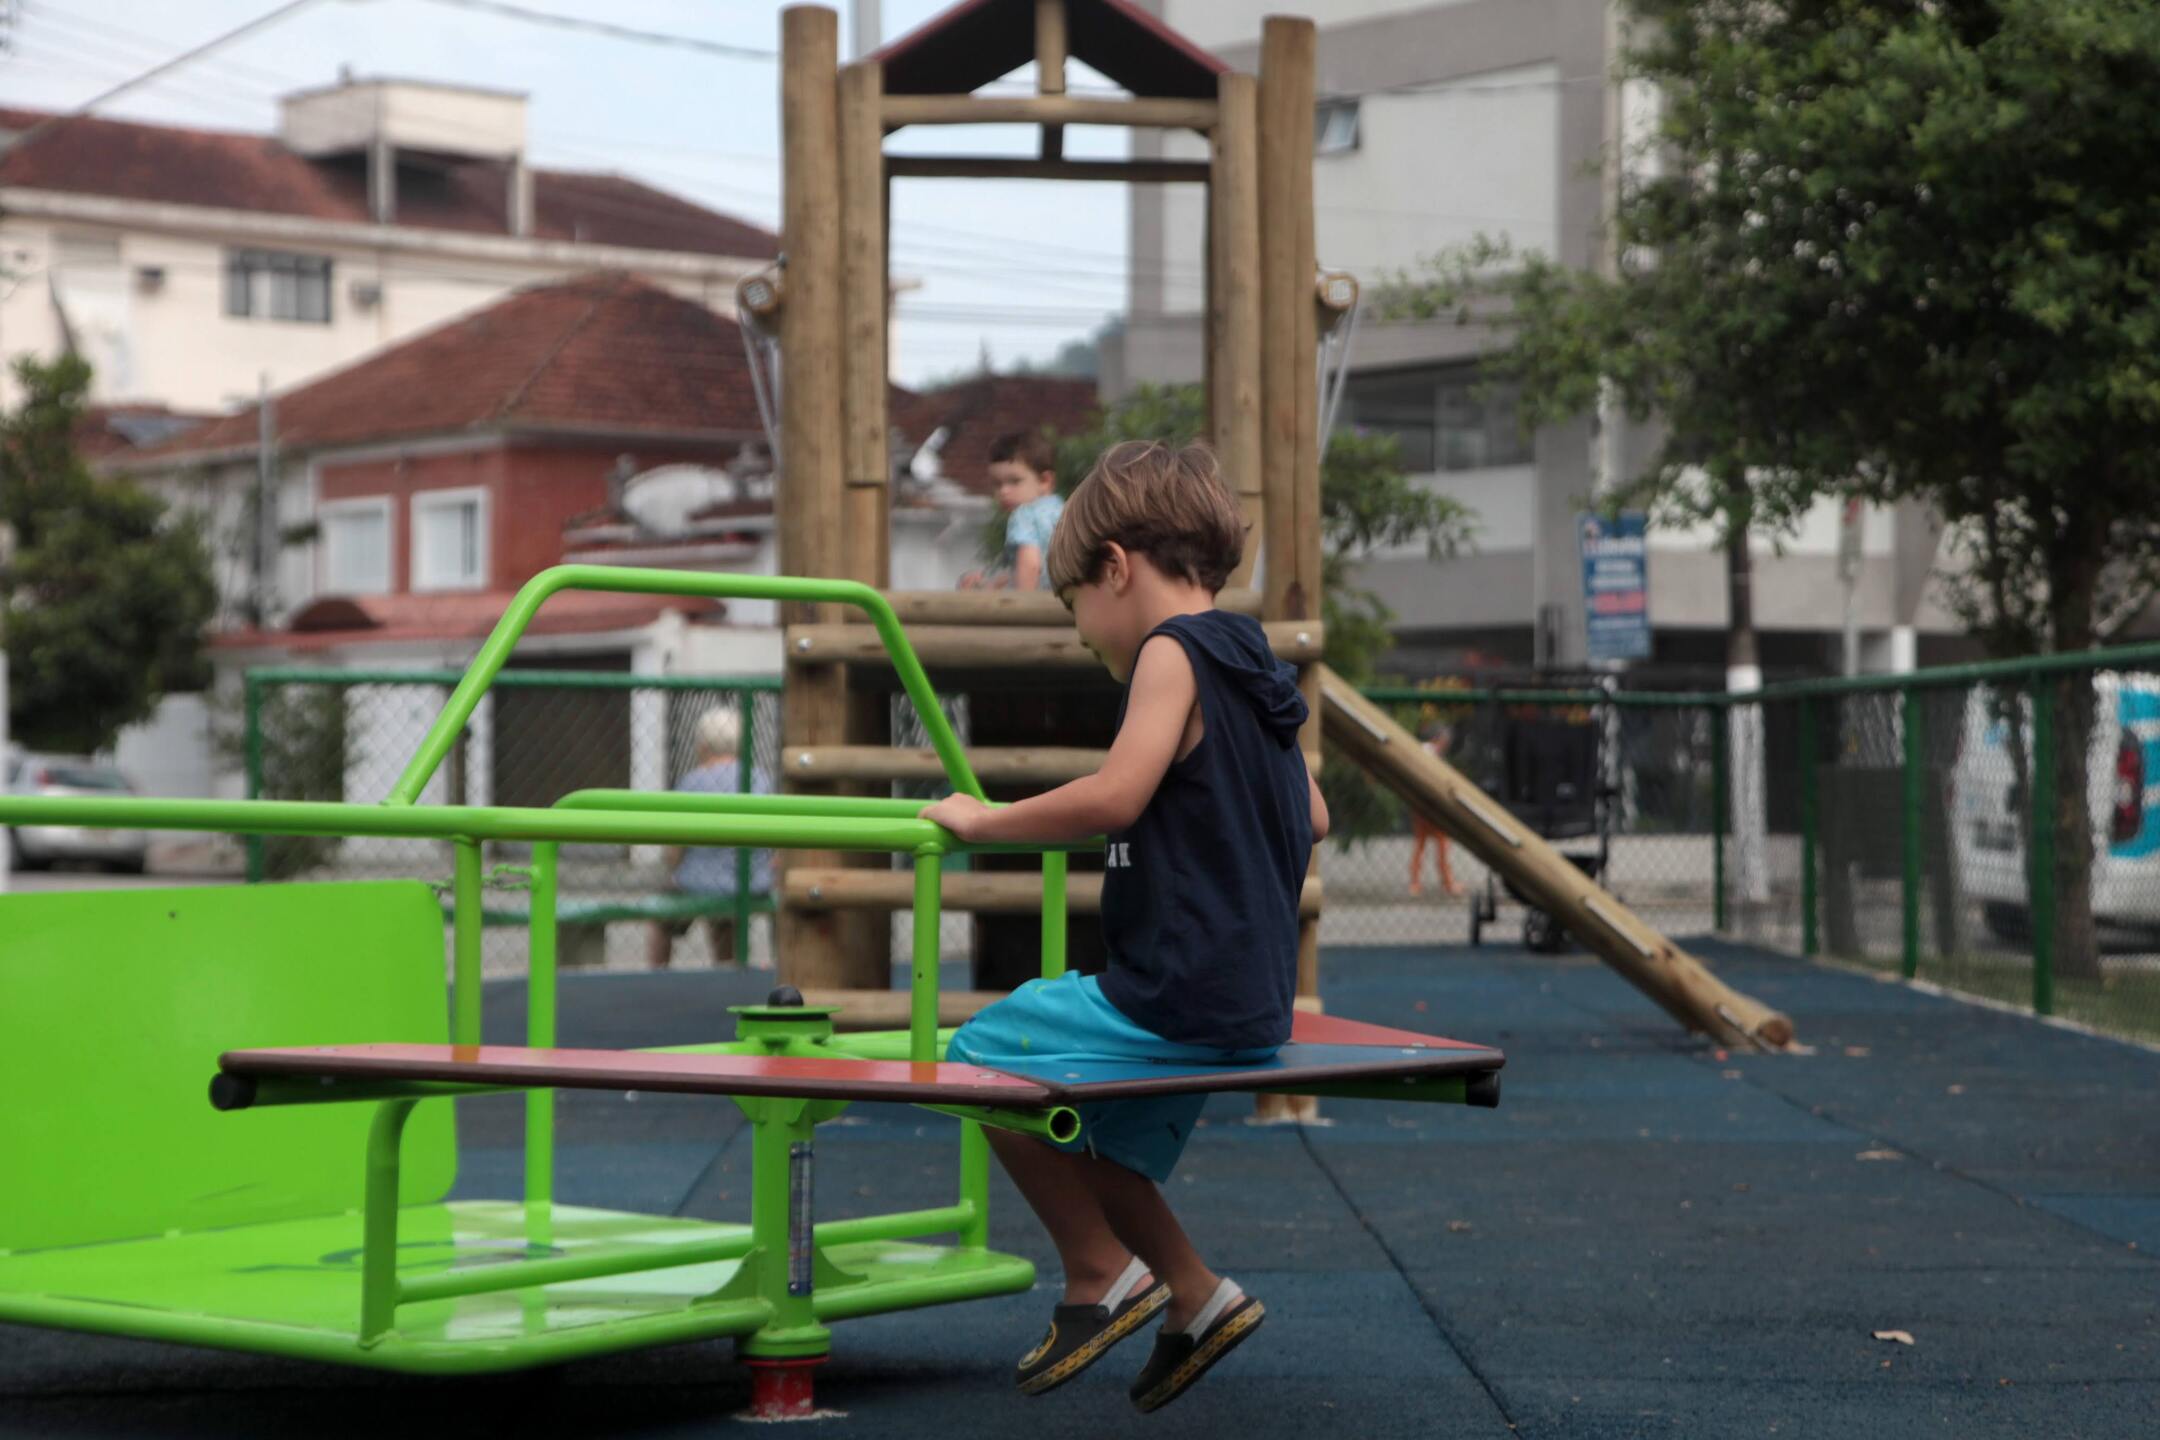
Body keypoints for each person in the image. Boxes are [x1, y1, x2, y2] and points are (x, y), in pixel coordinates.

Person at [920, 440, 1327, 1413]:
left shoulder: (1171, 653)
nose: (1081, 632)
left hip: (1175, 985)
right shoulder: (1254, 660)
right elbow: (1311, 815)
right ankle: (1194, 1293)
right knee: (1099, 1144)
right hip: (1249, 994)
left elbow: (1116, 794)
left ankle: (1101, 1271)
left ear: (1115, 568)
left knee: (981, 1056)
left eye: (1074, 608)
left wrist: (982, 822)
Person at [645, 706, 773, 969]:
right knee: (725, 915)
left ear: (702, 746)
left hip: (699, 882)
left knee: (660, 912)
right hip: (752, 882)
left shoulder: (691, 783)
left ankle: (657, 973)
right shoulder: (759, 780)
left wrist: (673, 868)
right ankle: (729, 968)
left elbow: (674, 852)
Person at [959, 431, 1064, 591]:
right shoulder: (1064, 509)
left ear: (1045, 481)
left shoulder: (1023, 515)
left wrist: (1019, 606)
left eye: (1014, 481)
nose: (1003, 491)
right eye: (997, 484)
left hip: (1039, 609)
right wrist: (989, 585)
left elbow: (1030, 565)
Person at [1409, 725, 1464, 897]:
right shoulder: (1429, 753)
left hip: (1422, 805)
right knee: (1440, 845)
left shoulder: (1426, 752)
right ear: (1439, 739)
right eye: (1444, 741)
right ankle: (1446, 882)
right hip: (1431, 807)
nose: (1446, 745)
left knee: (1423, 844)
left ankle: (1416, 883)